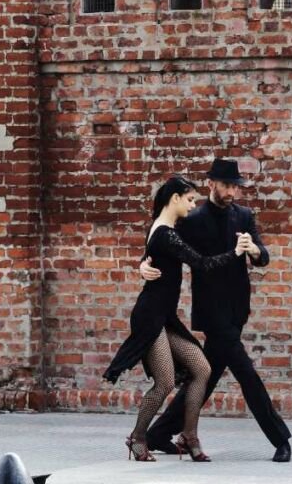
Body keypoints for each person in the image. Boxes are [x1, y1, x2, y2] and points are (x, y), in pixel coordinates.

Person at [142, 157, 292, 462]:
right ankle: (280, 438)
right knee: (247, 374)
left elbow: (263, 257)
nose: (232, 193)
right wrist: (143, 263)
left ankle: (158, 433)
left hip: (237, 310)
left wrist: (255, 251)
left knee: (205, 377)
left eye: (235, 187)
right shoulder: (192, 219)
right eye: (226, 186)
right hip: (212, 313)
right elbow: (162, 240)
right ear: (211, 184)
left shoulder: (244, 216)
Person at [102, 175, 244, 462]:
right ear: (175, 198)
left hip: (164, 316)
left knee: (201, 369)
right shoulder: (165, 233)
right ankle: (138, 437)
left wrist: (142, 263)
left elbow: (151, 253)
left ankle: (188, 435)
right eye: (190, 199)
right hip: (151, 316)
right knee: (165, 382)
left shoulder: (163, 228)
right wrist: (236, 253)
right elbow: (202, 264)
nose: (193, 205)